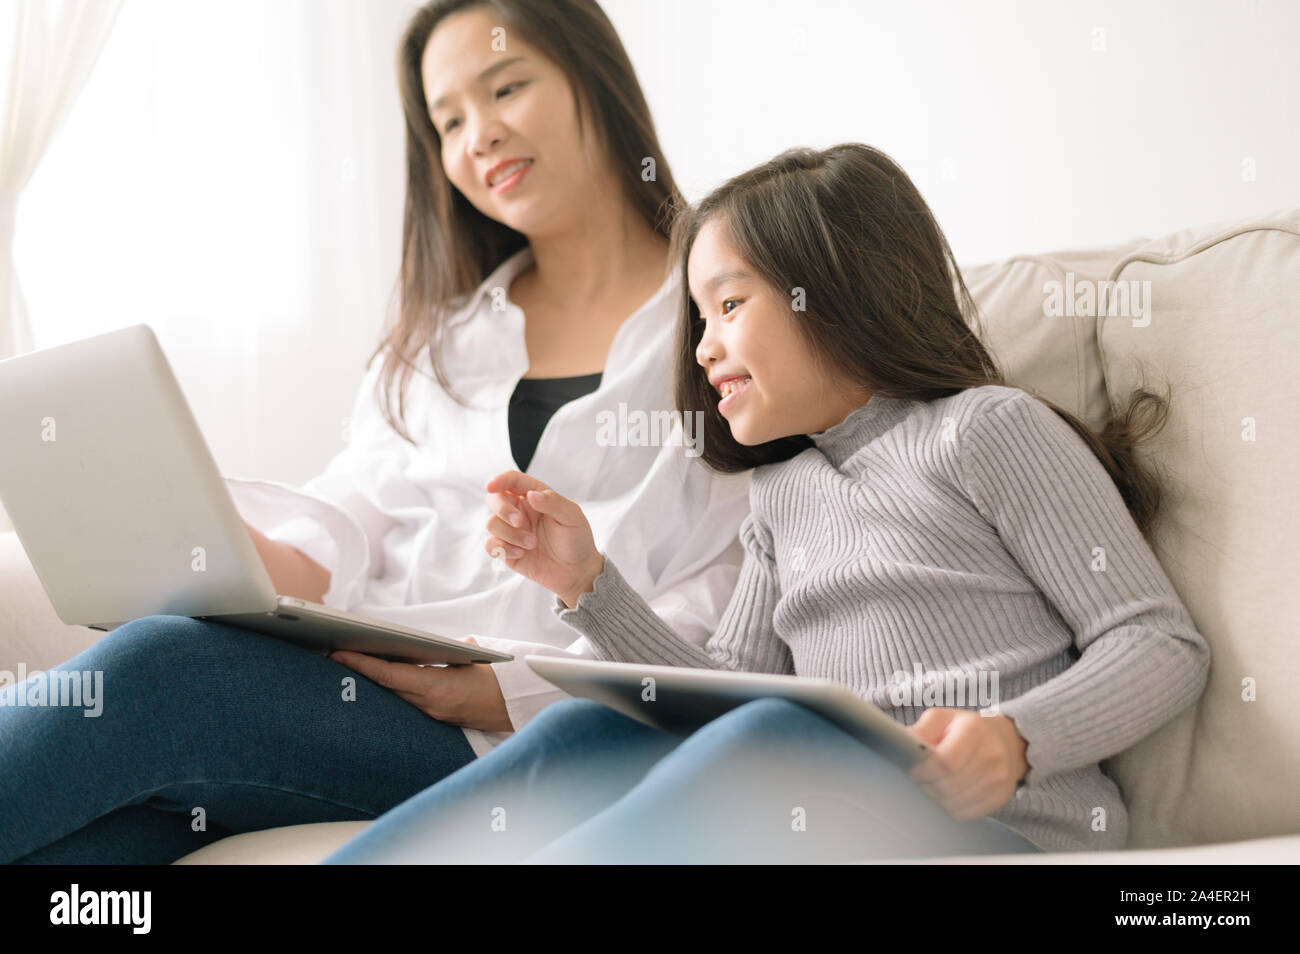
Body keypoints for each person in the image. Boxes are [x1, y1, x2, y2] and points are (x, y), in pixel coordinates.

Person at [0, 0, 750, 864]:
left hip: (530, 734)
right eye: (449, 120)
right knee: (102, 842)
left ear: (597, 80)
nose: (480, 135)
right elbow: (349, 521)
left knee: (166, 671)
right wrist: (219, 548)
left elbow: (726, 599)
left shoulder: (720, 324)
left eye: (506, 87)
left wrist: (507, 689)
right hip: (369, 693)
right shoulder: (439, 341)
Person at [322, 143, 1212, 864]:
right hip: (836, 813)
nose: (703, 348)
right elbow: (720, 699)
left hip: (1003, 833)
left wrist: (1016, 737)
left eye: (729, 305)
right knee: (593, 729)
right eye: (698, 318)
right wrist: (588, 584)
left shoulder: (984, 431)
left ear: (831, 291)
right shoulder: (781, 493)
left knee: (772, 737)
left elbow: (1160, 641)